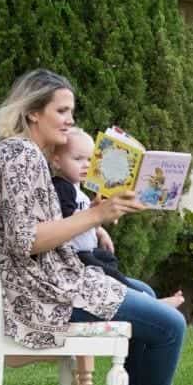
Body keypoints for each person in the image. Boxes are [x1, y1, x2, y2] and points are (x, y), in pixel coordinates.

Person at [0, 69, 189, 385]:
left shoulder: (12, 153)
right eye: (62, 111)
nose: (70, 120)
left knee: (144, 296)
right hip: (42, 293)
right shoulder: (22, 156)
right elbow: (27, 240)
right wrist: (96, 214)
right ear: (33, 111)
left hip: (41, 283)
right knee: (170, 324)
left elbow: (35, 228)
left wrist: (93, 215)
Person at [50, 127, 183, 306]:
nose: (86, 165)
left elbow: (83, 218)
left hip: (87, 252)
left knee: (110, 264)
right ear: (56, 161)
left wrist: (99, 231)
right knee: (112, 276)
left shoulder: (76, 188)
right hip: (75, 257)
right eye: (78, 159)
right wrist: (96, 215)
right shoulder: (61, 187)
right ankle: (149, 304)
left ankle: (147, 302)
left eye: (90, 159)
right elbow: (68, 220)